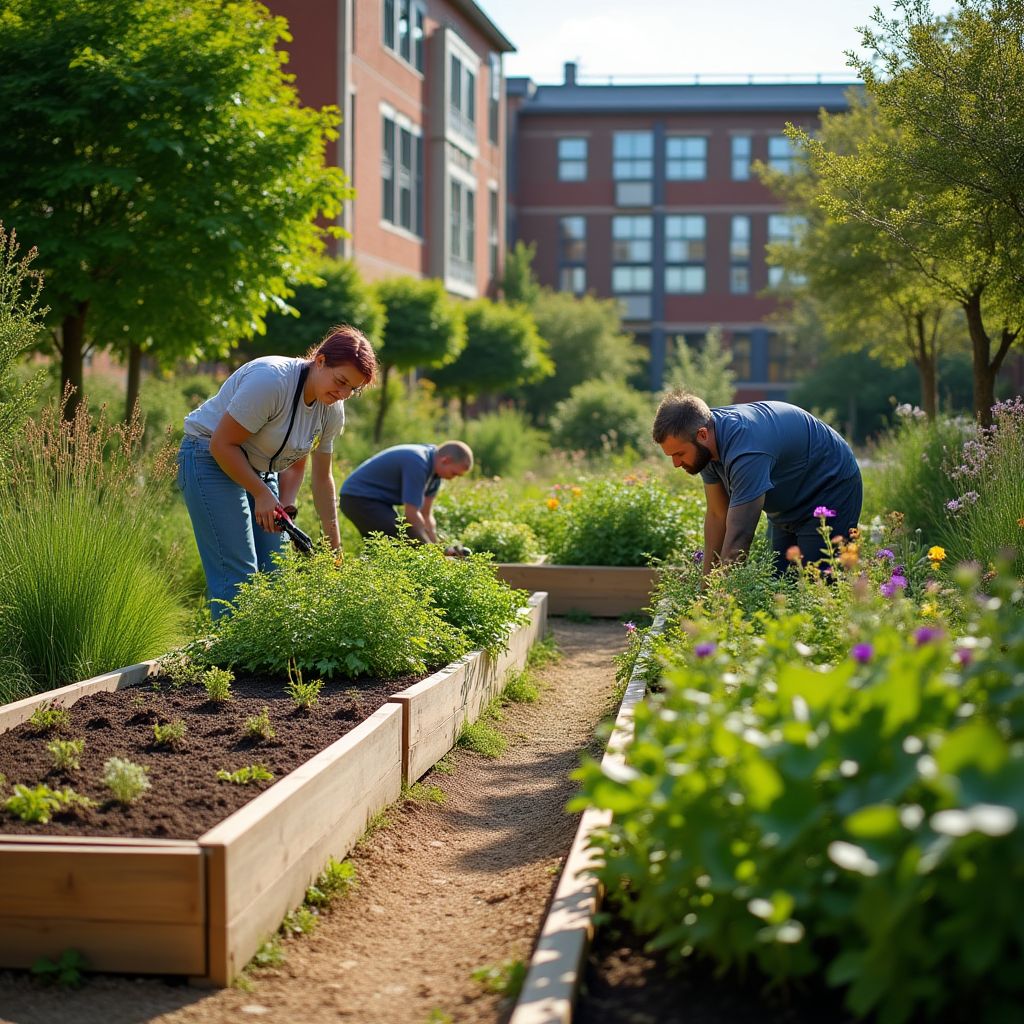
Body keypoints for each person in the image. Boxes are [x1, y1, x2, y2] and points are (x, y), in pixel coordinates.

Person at [177, 325, 377, 618]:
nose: (343, 393)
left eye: (352, 389)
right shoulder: (271, 381)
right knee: (240, 577)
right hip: (209, 455)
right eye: (341, 381)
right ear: (320, 361)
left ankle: (271, 664)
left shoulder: (331, 406)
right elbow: (223, 444)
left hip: (259, 467)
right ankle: (232, 661)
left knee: (277, 572)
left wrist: (333, 545)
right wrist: (261, 493)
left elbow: (315, 473)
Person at [652, 393, 862, 576]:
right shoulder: (704, 443)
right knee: (779, 580)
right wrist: (704, 591)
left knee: (820, 584)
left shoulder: (746, 449)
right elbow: (718, 515)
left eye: (679, 454)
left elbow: (739, 536)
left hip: (830, 487)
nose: (676, 464)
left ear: (703, 435)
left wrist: (717, 606)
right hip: (789, 503)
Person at [339, 441, 473, 545]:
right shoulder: (418, 462)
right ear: (446, 460)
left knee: (390, 543)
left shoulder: (436, 476)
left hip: (378, 502)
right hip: (358, 498)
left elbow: (426, 515)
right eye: (454, 473)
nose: (453, 478)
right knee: (402, 540)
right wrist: (429, 550)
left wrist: (435, 547)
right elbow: (412, 514)